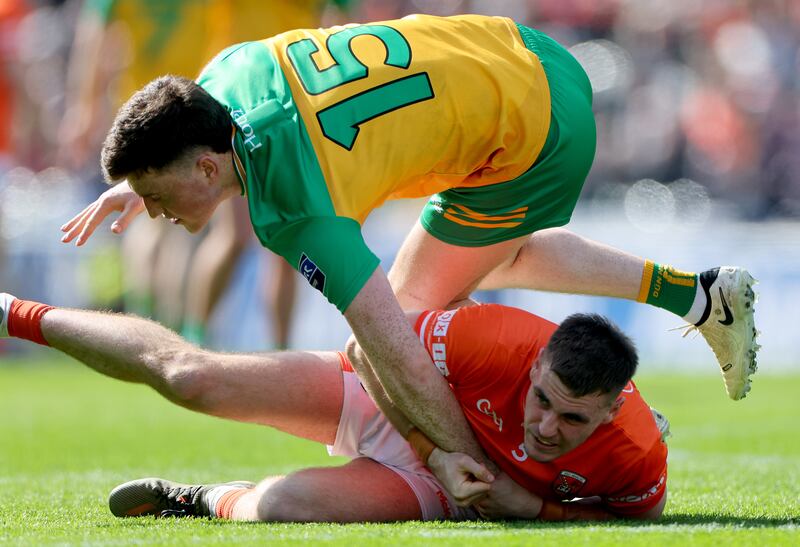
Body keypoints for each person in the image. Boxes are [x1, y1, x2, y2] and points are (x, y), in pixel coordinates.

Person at [59, 13, 757, 473]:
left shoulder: (295, 209)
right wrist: (137, 179)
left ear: (207, 166)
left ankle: (615, 412)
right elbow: (186, 124)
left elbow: (390, 347)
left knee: (415, 317)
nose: (154, 214)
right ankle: (698, 297)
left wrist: (446, 455)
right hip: (532, 57)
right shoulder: (222, 77)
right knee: (491, 252)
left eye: (156, 197)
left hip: (536, 137)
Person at [0, 291, 668, 521]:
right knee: (192, 377)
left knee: (281, 507)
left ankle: (204, 498)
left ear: (612, 412)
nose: (545, 426)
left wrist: (536, 509)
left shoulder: (638, 455)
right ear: (537, 361)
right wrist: (435, 449)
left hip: (440, 489)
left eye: (572, 418)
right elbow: (364, 343)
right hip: (398, 404)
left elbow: (639, 513)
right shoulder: (495, 338)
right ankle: (16, 313)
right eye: (540, 399)